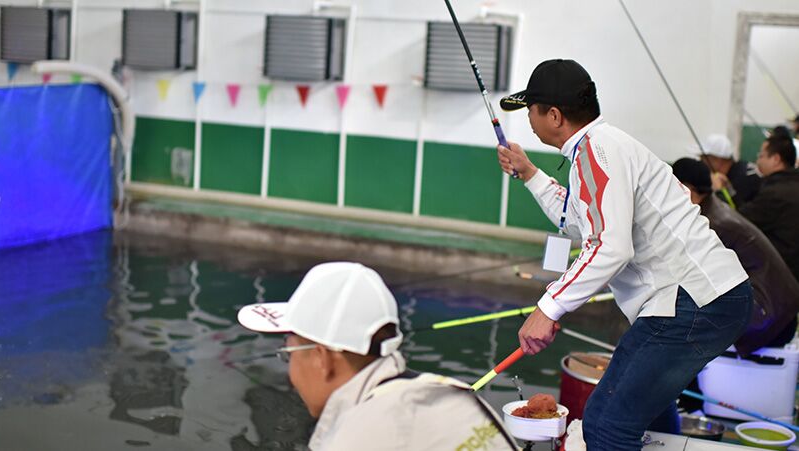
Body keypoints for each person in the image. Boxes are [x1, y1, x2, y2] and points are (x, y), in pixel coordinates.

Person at [496, 59, 751, 450]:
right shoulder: (602, 147)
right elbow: (579, 221)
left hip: (694, 301)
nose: (528, 118)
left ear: (554, 115)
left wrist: (549, 308)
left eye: (531, 109)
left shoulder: (596, 152)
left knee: (605, 423)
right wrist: (530, 174)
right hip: (706, 298)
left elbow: (609, 245)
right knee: (645, 414)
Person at [236, 262, 517, 451]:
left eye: (288, 354)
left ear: (323, 359)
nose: (290, 372)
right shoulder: (451, 393)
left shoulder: (356, 438)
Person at [673, 157, 799, 355]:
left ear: (687, 189)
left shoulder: (710, 226)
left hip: (771, 318)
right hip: (781, 310)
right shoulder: (713, 210)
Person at [738, 135, 799, 281]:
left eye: (761, 156)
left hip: (783, 275)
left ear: (776, 159)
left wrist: (722, 192)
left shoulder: (775, 194)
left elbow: (741, 221)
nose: (758, 160)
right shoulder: (790, 185)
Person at [693, 134, 761, 207]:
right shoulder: (739, 171)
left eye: (703, 159)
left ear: (717, 159)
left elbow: (736, 211)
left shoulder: (744, 179)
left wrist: (719, 191)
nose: (701, 163)